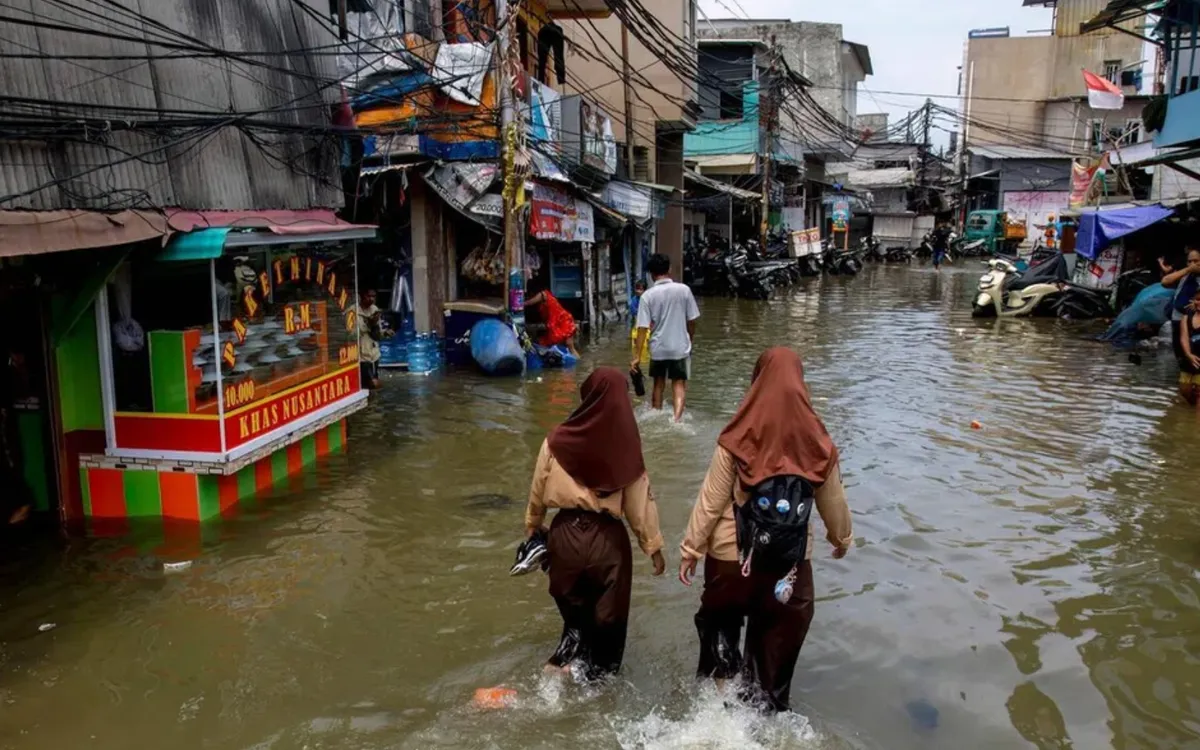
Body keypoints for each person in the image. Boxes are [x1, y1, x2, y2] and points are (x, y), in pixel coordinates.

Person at [679, 347, 852, 713]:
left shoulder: (737, 435)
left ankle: (714, 711)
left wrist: (691, 549)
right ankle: (761, 714)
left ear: (756, 382)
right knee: (770, 672)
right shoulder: (820, 445)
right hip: (787, 571)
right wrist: (841, 539)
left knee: (720, 637)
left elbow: (710, 501)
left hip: (731, 562)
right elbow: (833, 505)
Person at [524, 368, 665, 680]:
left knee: (574, 621)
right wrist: (653, 547)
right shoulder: (626, 448)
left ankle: (556, 673)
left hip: (564, 538)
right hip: (607, 543)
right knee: (608, 627)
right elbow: (640, 504)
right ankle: (597, 685)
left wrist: (533, 525)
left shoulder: (556, 440)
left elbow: (537, 489)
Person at [632, 254, 700, 422]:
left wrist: (637, 357)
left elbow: (641, 329)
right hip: (679, 347)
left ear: (651, 274)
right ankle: (677, 421)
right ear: (669, 269)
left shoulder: (647, 296)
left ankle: (656, 415)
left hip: (658, 348)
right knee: (679, 384)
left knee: (658, 384)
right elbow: (692, 320)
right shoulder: (684, 290)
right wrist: (689, 339)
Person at [1163, 247, 1200, 369]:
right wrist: (1188, 269)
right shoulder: (1185, 274)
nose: (1192, 264)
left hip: (1196, 321)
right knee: (1180, 351)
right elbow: (1165, 281)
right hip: (1178, 316)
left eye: (1196, 261)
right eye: (1189, 261)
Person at [525, 283, 580, 358]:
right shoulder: (547, 297)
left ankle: (576, 363)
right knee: (569, 346)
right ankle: (575, 364)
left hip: (564, 321)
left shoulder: (542, 294)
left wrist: (519, 303)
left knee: (569, 345)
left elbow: (529, 303)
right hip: (562, 321)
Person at [357, 289, 384, 389]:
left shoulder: (374, 309)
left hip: (374, 354)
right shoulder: (354, 311)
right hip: (362, 356)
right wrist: (369, 324)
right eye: (369, 296)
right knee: (371, 383)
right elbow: (352, 334)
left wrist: (375, 326)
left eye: (374, 297)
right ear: (362, 296)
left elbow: (378, 335)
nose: (371, 299)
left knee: (374, 383)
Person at [1179, 285, 1200, 405]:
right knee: (1185, 390)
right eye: (1197, 299)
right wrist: (1188, 354)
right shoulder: (1186, 317)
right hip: (1189, 359)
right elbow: (1184, 337)